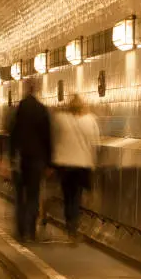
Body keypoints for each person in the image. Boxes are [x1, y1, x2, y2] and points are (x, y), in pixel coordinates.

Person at [52, 94, 100, 244]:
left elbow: (54, 139)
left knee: (67, 197)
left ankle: (69, 228)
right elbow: (95, 143)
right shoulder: (91, 120)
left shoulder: (60, 119)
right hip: (82, 165)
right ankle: (74, 228)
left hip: (65, 165)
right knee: (77, 197)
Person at [9, 81, 52, 242]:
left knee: (20, 195)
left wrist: (11, 156)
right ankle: (31, 230)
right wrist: (49, 163)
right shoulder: (42, 110)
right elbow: (48, 138)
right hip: (37, 159)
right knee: (34, 195)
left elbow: (13, 134)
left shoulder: (19, 109)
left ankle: (21, 230)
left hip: (21, 159)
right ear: (37, 90)